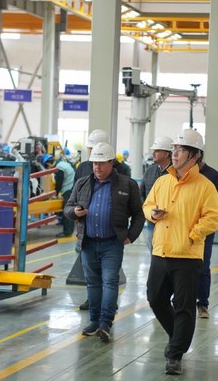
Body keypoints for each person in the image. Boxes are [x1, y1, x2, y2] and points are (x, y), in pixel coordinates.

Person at [142, 129, 218, 375]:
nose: (174, 154)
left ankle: (175, 355)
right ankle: (178, 336)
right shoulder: (162, 181)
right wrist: (153, 213)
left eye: (181, 149)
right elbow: (148, 204)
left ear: (195, 156)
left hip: (187, 255)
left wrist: (192, 235)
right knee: (155, 298)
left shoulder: (205, 186)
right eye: (174, 149)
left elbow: (213, 218)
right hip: (161, 251)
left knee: (184, 307)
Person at [64, 142, 144, 342]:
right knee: (92, 283)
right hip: (88, 243)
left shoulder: (127, 185)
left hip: (112, 243)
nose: (97, 168)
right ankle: (94, 321)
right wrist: (74, 212)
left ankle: (105, 323)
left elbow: (138, 214)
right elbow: (68, 208)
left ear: (111, 163)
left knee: (110, 282)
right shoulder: (82, 183)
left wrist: (130, 236)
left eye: (101, 163)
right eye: (94, 164)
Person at [73, 129, 128, 311]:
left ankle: (108, 304)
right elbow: (74, 196)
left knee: (110, 275)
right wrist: (75, 215)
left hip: (111, 233)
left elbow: (128, 201)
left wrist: (126, 231)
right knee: (91, 274)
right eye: (90, 149)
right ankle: (93, 301)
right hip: (87, 230)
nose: (92, 153)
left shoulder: (121, 170)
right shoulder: (83, 168)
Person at [196, 153, 218, 319]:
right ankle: (179, 300)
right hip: (186, 228)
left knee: (203, 266)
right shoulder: (183, 173)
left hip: (205, 230)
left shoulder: (213, 175)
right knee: (181, 266)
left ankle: (202, 303)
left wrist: (208, 224)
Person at [139, 136, 173, 251]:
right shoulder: (150, 171)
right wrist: (148, 211)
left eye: (157, 151)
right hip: (151, 221)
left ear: (167, 154)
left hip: (170, 221)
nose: (153, 154)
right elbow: (141, 193)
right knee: (153, 251)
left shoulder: (176, 173)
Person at [42, 153, 75, 238]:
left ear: (49, 164)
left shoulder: (59, 168)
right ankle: (70, 230)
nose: (49, 169)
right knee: (70, 211)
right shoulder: (62, 164)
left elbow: (59, 183)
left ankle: (67, 232)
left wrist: (55, 193)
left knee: (66, 211)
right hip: (72, 189)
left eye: (48, 167)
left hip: (69, 190)